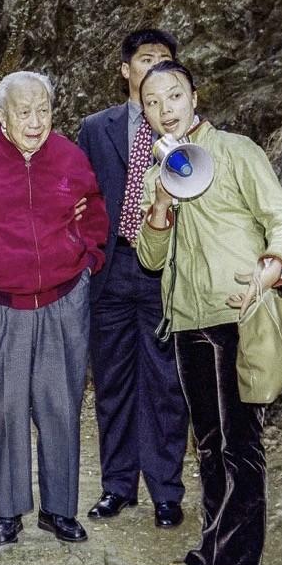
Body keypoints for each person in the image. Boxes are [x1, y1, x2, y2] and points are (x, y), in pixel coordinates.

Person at [135, 60, 282, 565]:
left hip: (239, 316)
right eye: (152, 102)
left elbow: (280, 216)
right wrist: (161, 207)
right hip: (187, 321)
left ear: (194, 96)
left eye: (174, 95)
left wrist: (273, 265)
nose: (165, 109)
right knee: (208, 444)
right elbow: (150, 258)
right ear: (145, 112)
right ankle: (212, 551)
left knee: (241, 446)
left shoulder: (235, 151)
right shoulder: (158, 173)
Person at [0, 71, 108, 548]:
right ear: (1, 115)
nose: (35, 122)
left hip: (63, 296)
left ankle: (59, 510)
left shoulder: (69, 156)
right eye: (24, 112)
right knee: (3, 407)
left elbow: (94, 211)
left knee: (61, 403)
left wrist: (87, 260)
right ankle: (7, 512)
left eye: (43, 111)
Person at [77, 29, 191, 527]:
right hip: (110, 268)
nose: (154, 67)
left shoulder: (185, 128)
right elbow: (79, 196)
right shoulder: (95, 128)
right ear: (126, 70)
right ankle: (117, 485)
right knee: (113, 381)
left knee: (166, 383)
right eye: (145, 59)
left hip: (166, 268)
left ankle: (166, 489)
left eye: (164, 60)